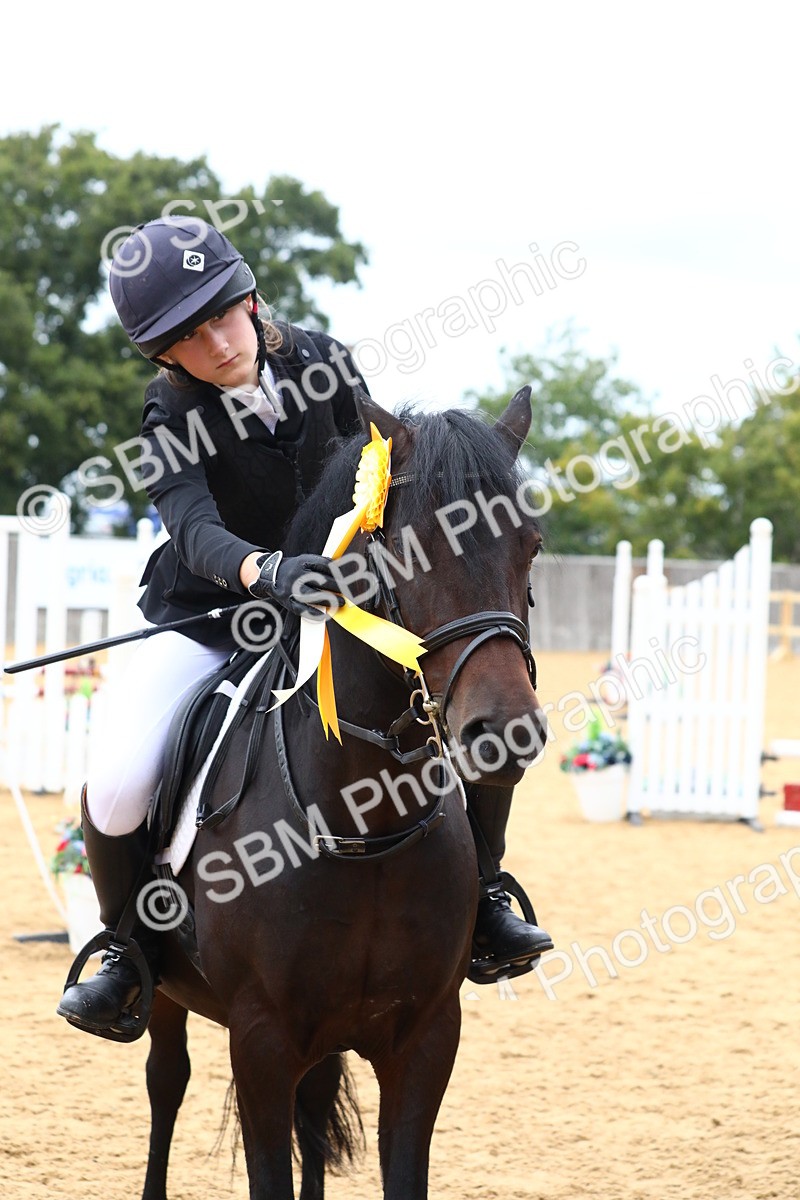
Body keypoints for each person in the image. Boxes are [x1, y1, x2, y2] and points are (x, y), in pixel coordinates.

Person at [57, 217, 552, 1035]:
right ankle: (129, 950)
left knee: (469, 702)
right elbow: (194, 529)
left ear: (250, 299)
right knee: (115, 784)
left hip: (336, 603)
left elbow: (374, 471)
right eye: (187, 339)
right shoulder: (166, 414)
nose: (216, 345)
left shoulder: (323, 361)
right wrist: (269, 571)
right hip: (213, 615)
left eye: (222, 316)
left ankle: (487, 894)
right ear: (163, 357)